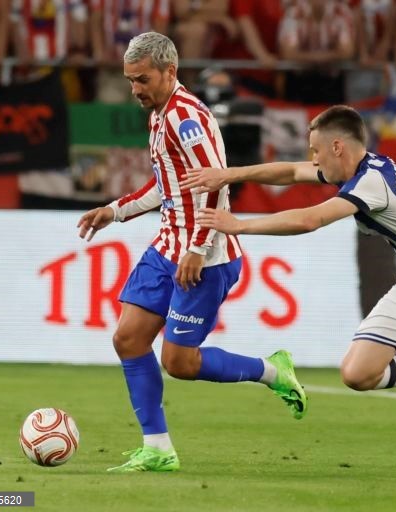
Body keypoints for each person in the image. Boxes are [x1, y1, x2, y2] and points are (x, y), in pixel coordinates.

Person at [179, 105, 396, 478]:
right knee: (356, 374)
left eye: (316, 150)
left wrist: (240, 225)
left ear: (337, 147)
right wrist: (229, 174)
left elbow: (310, 219)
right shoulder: (364, 169)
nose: (312, 158)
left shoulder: (371, 184)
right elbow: (291, 172)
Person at [76, 32, 308, 473]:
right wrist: (114, 210)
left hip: (206, 255)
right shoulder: (159, 114)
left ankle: (272, 371)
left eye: (142, 79)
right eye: (130, 80)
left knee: (179, 363)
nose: (135, 89)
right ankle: (158, 448)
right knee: (128, 339)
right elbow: (164, 185)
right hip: (168, 245)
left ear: (170, 72)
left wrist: (198, 248)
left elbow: (216, 180)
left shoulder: (186, 118)